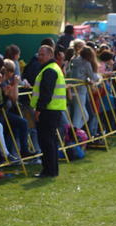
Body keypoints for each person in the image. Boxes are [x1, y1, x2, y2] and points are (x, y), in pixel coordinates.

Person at [31, 45, 67, 178]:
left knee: (46, 142)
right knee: (50, 142)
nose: (39, 57)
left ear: (50, 55)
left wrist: (39, 109)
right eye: (39, 54)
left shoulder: (49, 70)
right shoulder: (53, 68)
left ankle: (48, 170)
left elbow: (46, 93)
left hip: (48, 111)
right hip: (53, 110)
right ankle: (51, 170)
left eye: (42, 54)